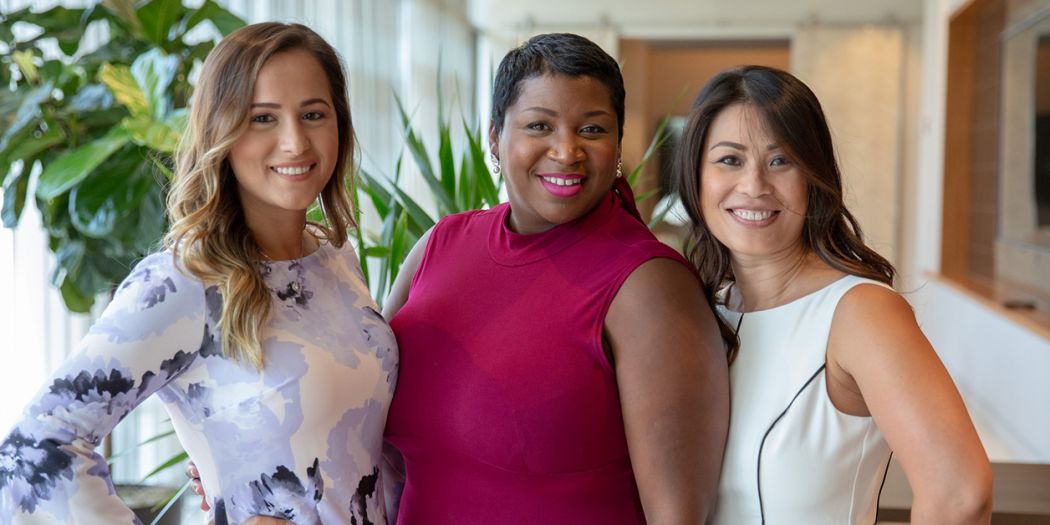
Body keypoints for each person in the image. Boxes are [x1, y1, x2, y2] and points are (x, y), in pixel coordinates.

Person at [0, 22, 397, 525]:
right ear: (221, 133)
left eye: (313, 114)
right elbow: (35, 447)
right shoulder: (183, 282)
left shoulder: (335, 258)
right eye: (262, 119)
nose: (295, 141)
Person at [380, 33, 730, 524]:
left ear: (618, 142)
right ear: (495, 137)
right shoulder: (441, 244)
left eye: (592, 129)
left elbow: (678, 517)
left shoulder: (649, 285)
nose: (567, 151)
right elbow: (365, 402)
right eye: (539, 125)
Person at [671, 65, 993, 524]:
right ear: (695, 177)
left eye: (781, 160)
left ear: (813, 176)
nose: (755, 185)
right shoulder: (701, 308)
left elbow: (961, 495)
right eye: (730, 160)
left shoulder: (862, 313)